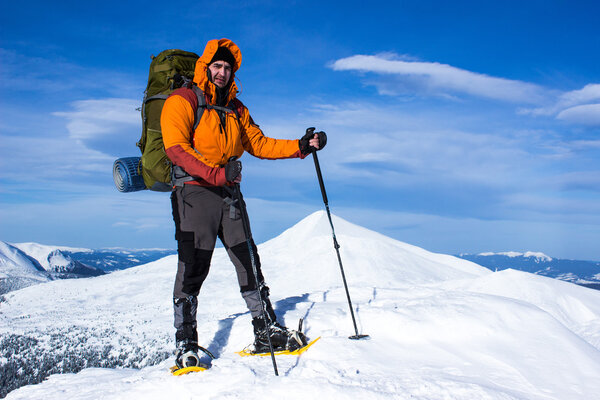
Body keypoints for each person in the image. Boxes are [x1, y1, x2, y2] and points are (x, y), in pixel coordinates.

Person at [160, 38, 327, 367]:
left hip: (229, 195)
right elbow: (176, 148)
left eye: (227, 67)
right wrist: (215, 173)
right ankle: (186, 342)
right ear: (206, 67)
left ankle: (264, 329)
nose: (222, 72)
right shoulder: (181, 101)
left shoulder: (237, 109)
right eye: (217, 66)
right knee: (193, 267)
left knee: (248, 260)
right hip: (194, 194)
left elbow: (260, 143)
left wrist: (302, 145)